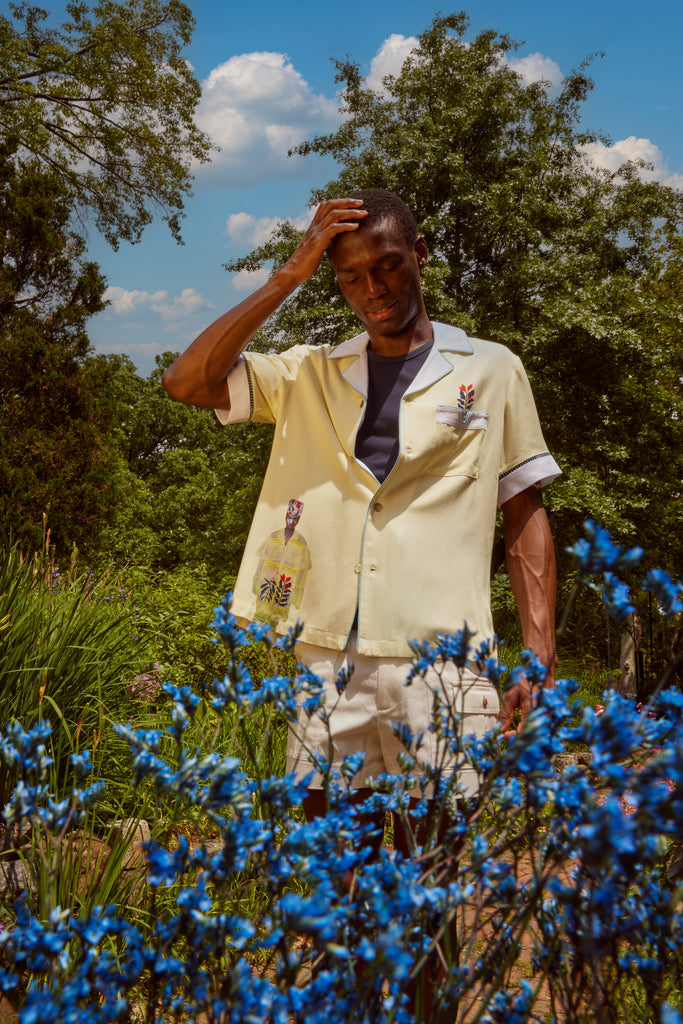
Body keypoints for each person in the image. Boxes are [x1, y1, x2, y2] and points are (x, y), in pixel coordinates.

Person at [162, 188, 560, 823]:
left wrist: (539, 650)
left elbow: (524, 507)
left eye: (387, 265)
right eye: (350, 276)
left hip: (444, 659)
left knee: (431, 865)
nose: (372, 288)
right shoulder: (309, 373)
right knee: (333, 866)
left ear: (420, 255)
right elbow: (187, 382)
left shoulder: (490, 368)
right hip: (325, 660)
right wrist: (290, 275)